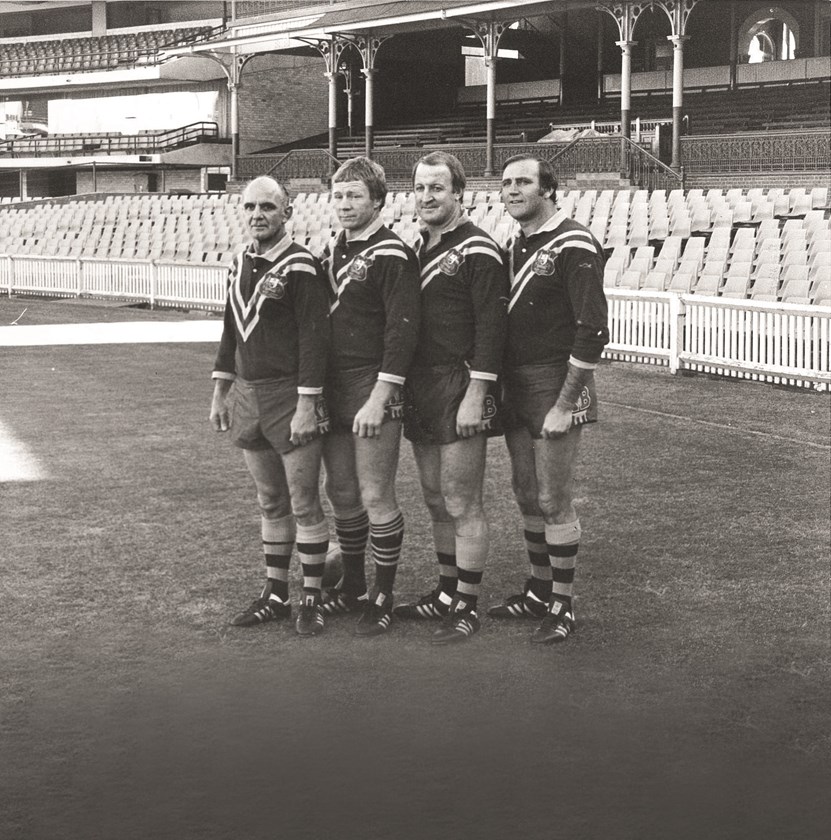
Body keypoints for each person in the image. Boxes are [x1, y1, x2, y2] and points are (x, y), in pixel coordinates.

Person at [488, 154, 609, 644]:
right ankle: (539, 590)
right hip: (515, 382)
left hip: (554, 381)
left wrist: (565, 403)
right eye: (506, 183)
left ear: (549, 189)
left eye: (523, 182)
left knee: (553, 497)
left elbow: (593, 330)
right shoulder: (515, 244)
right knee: (524, 492)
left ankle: (563, 604)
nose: (512, 190)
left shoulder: (575, 243)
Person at [395, 151, 508, 645]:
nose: (426, 198)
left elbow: (492, 330)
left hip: (461, 383)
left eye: (436, 189)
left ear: (458, 192)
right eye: (420, 188)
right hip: (421, 385)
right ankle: (444, 592)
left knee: (463, 500)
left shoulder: (479, 250)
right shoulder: (416, 247)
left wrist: (477, 392)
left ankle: (466, 603)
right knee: (435, 497)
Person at [210, 176, 331, 637]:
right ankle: (276, 594)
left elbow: (315, 341)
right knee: (270, 500)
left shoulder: (301, 265)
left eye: (267, 207)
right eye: (250, 207)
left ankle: (313, 599)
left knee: (304, 502)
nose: (257, 215)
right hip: (248, 392)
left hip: (290, 395)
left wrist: (307, 404)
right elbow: (229, 333)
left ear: (287, 213)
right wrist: (221, 391)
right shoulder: (238, 261)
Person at [318, 157, 421, 637]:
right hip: (334, 385)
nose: (344, 204)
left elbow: (403, 333)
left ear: (378, 200)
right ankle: (354, 585)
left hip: (370, 385)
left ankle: (382, 594)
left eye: (354, 195)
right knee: (341, 492)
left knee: (376, 492)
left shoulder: (392, 254)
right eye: (338, 195)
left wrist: (382, 394)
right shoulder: (332, 250)